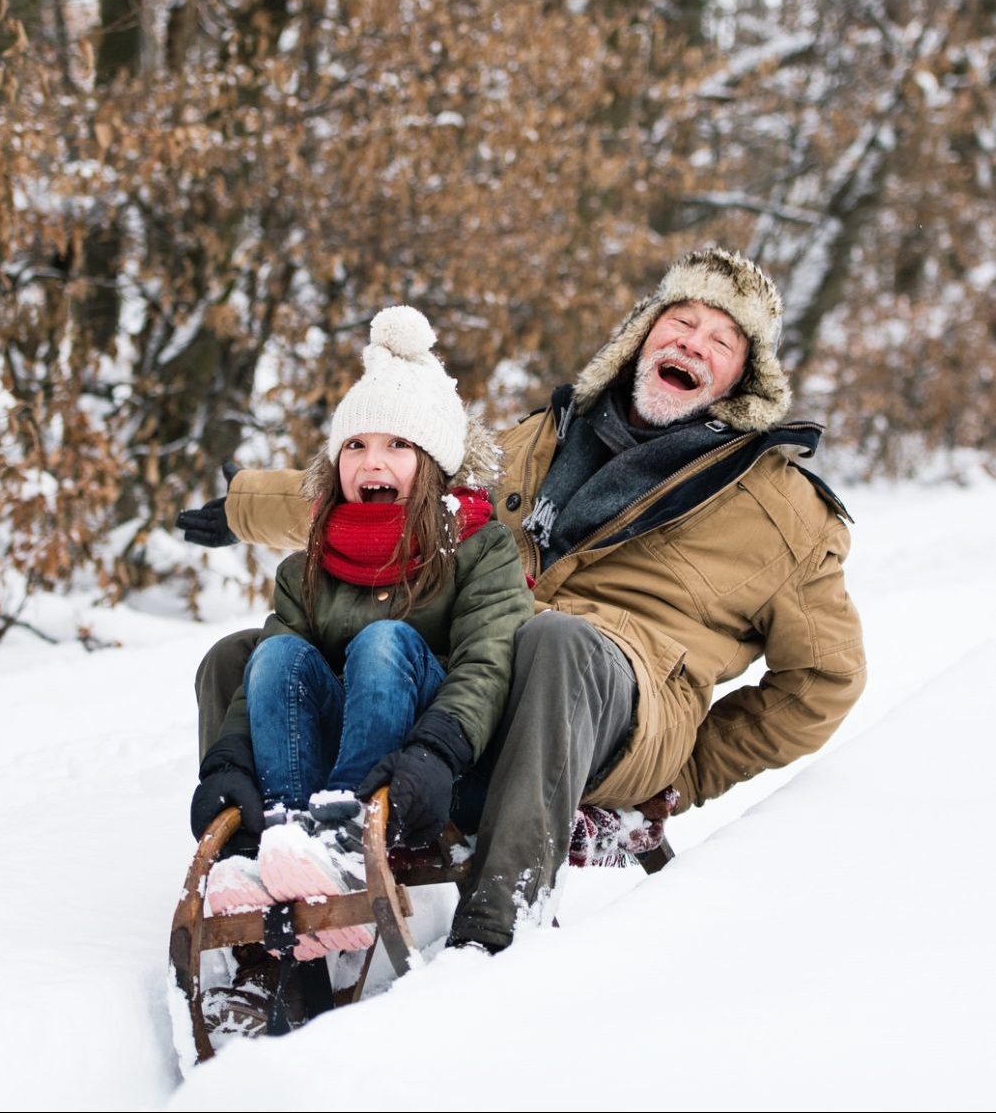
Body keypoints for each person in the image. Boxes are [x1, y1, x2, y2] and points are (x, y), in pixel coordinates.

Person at [179, 246, 866, 954]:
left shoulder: (781, 508)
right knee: (247, 657)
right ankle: (261, 908)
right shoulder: (543, 439)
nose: (693, 341)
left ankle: (498, 923)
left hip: (620, 710)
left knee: (555, 640)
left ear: (742, 376)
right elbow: (404, 492)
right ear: (643, 333)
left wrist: (690, 772)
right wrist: (244, 504)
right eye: (681, 320)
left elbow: (824, 680)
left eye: (722, 339)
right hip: (485, 680)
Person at [187, 306, 534, 960]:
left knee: (383, 642)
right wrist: (227, 763)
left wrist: (438, 749)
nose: (373, 461)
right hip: (335, 740)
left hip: (432, 765)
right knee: (279, 652)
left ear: (433, 462)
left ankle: (340, 842)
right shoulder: (306, 568)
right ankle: (289, 841)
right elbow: (274, 678)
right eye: (356, 444)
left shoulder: (480, 549)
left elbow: (490, 663)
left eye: (398, 444)